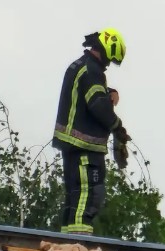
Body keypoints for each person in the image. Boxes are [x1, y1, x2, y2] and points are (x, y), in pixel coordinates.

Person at [54, 28, 131, 235]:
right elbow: (98, 106)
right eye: (109, 59)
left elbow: (86, 94)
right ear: (105, 51)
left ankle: (66, 242)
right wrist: (118, 127)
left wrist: (108, 91)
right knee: (88, 194)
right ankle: (78, 243)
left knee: (73, 197)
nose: (107, 65)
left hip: (71, 144)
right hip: (84, 146)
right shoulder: (92, 71)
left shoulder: (80, 66)